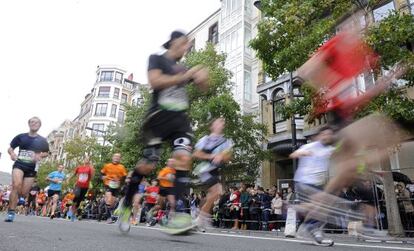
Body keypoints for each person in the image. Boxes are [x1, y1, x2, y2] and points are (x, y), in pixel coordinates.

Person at [116, 30, 209, 234]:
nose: (187, 49)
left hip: (180, 121)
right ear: (176, 42)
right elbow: (155, 81)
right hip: (157, 119)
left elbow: (204, 87)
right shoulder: (157, 59)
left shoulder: (184, 67)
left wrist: (202, 76)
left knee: (184, 158)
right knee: (147, 167)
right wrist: (184, 76)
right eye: (186, 45)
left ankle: (179, 215)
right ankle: (126, 206)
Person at [290, 126, 335, 246]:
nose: (327, 137)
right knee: (321, 203)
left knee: (322, 207)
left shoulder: (329, 149)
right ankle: (311, 229)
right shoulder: (310, 146)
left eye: (329, 135)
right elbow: (293, 154)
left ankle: (308, 228)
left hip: (317, 184)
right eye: (324, 134)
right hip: (304, 181)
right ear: (319, 136)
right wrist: (303, 153)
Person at [5, 117, 49, 222]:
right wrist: (12, 154)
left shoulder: (42, 140)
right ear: (29, 124)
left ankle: (15, 201)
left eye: (36, 122)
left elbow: (47, 152)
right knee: (16, 185)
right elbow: (10, 148)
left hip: (31, 168)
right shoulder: (21, 137)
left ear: (39, 125)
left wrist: (40, 155)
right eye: (32, 122)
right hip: (19, 164)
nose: (34, 124)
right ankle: (11, 212)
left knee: (24, 193)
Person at [193, 117, 233, 232]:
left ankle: (200, 218)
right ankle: (201, 218)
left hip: (215, 170)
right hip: (205, 169)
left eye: (223, 122)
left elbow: (229, 156)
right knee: (216, 192)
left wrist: (222, 156)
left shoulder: (226, 141)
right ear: (212, 126)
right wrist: (211, 156)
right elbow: (196, 154)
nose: (222, 124)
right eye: (219, 122)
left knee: (215, 195)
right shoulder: (205, 139)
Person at [101, 153, 127, 223]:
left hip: (116, 186)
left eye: (118, 157)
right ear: (112, 157)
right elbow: (102, 173)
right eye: (115, 156)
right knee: (109, 200)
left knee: (112, 203)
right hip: (108, 184)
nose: (116, 158)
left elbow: (124, 177)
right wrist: (103, 177)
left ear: (120, 159)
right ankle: (109, 217)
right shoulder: (107, 166)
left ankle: (108, 209)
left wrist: (120, 182)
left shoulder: (122, 167)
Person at [68, 156, 95, 221]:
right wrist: (69, 178)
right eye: (85, 159)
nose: (86, 160)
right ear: (83, 160)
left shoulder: (90, 168)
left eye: (87, 159)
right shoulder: (79, 167)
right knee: (76, 195)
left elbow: (92, 177)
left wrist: (92, 169)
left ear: (89, 161)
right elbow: (74, 173)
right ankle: (71, 211)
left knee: (79, 200)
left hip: (85, 186)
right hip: (78, 185)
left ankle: (73, 215)